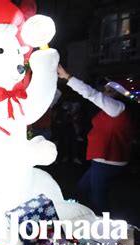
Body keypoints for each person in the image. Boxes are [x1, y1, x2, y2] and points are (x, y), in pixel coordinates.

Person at [57, 64, 134, 214]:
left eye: (110, 91)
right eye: (105, 90)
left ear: (119, 95)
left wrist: (67, 77)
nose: (105, 93)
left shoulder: (117, 107)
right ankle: (77, 213)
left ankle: (101, 227)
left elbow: (91, 94)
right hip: (102, 159)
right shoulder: (114, 109)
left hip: (108, 159)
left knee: (97, 196)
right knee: (83, 188)